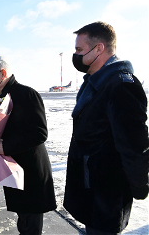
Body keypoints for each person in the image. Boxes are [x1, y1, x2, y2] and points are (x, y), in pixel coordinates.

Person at [64, 21, 149, 235]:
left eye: (79, 50)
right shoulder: (94, 80)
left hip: (107, 194)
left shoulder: (121, 85)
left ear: (99, 48)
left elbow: (134, 144)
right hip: (90, 188)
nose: (76, 55)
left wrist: (139, 185)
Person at [0, 55, 57, 234]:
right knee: (23, 218)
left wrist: (5, 146)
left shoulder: (27, 94)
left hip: (30, 169)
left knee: (30, 222)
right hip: (13, 167)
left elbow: (39, 133)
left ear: (3, 73)